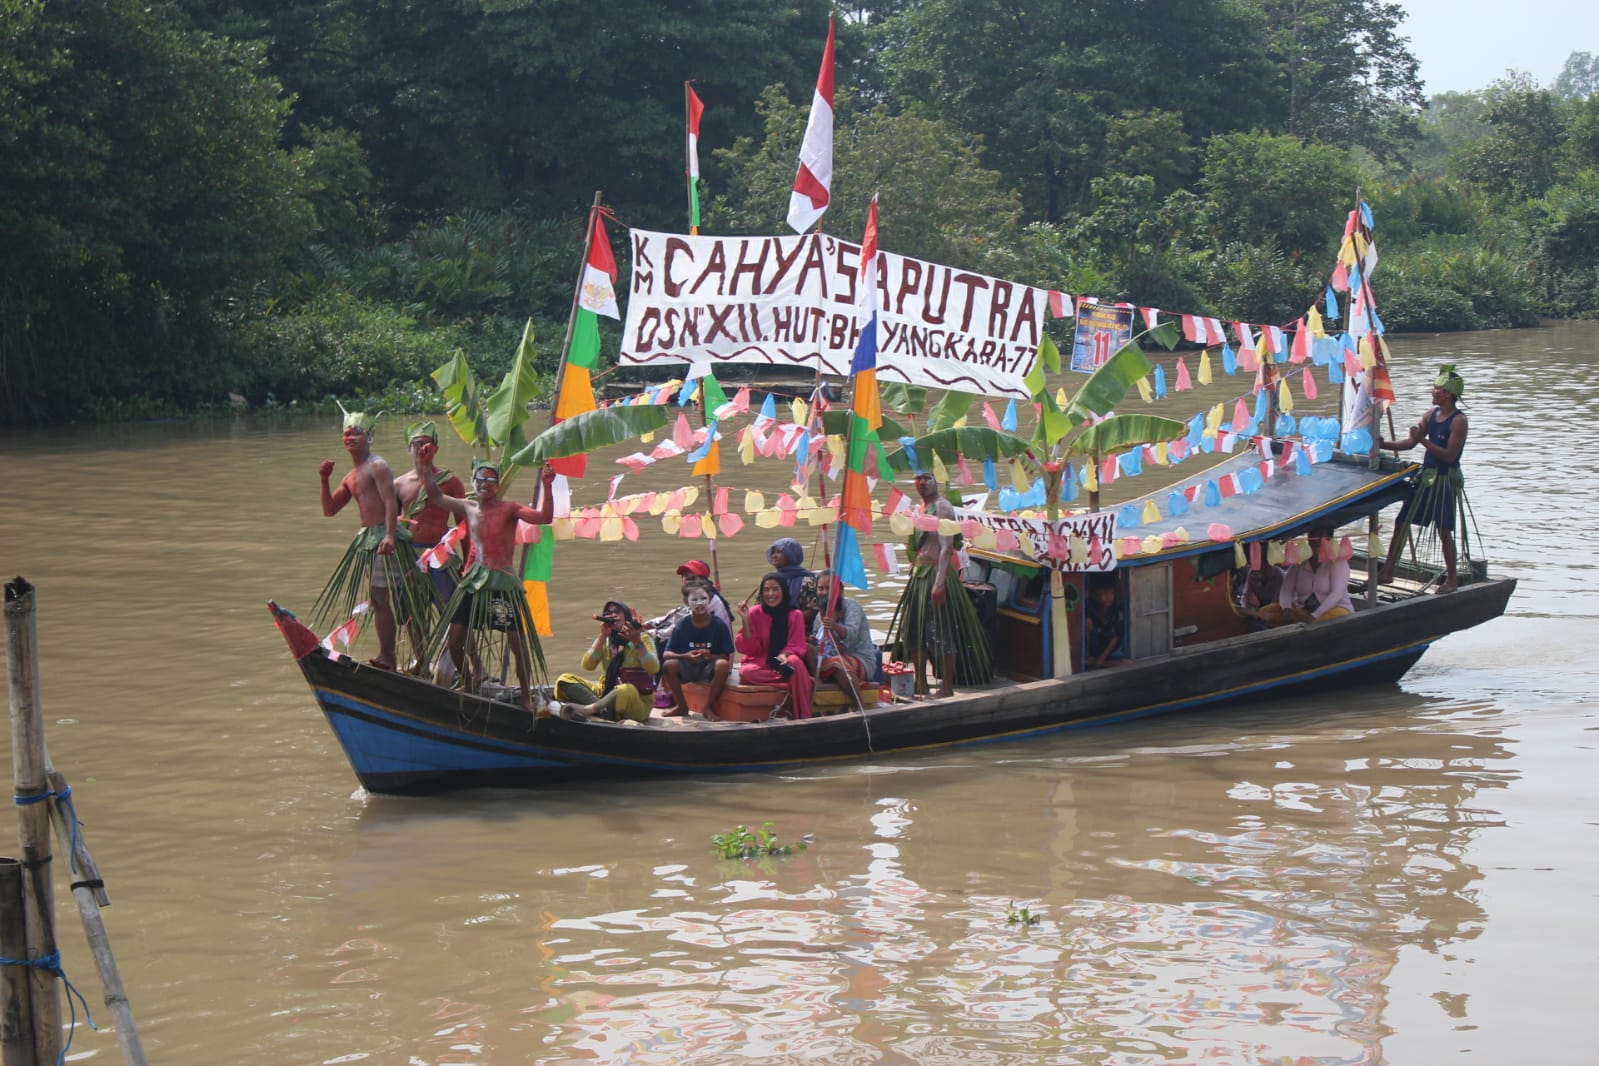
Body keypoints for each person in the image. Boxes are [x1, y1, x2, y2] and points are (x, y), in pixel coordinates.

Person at [416, 457, 557, 714]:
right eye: (480, 479)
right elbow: (435, 496)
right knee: (456, 641)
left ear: (497, 484)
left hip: (502, 580)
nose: (485, 484)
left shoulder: (509, 509)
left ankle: (526, 696)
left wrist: (547, 486)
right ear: (474, 482)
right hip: (474, 581)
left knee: (518, 644)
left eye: (491, 480)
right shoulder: (468, 507)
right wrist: (425, 467)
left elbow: (544, 517)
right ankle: (469, 682)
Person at [312, 406, 432, 672]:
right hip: (369, 539)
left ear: (369, 438)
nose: (350, 438)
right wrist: (324, 479)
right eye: (346, 434)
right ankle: (397, 657)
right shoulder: (351, 476)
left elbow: (391, 503)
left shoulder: (377, 466)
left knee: (396, 600)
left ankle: (396, 658)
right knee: (382, 600)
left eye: (357, 433)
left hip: (385, 537)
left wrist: (390, 534)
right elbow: (329, 510)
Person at [885, 471, 993, 698]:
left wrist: (939, 583)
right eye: (917, 478)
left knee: (941, 631)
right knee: (913, 630)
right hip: (919, 575)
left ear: (936, 482)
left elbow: (946, 548)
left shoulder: (942, 507)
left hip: (936, 575)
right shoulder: (919, 508)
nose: (921, 483)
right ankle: (921, 683)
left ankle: (946, 687)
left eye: (926, 478)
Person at [1379, 364, 1470, 592]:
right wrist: (1382, 444)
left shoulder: (1459, 421)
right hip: (1427, 478)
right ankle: (1388, 571)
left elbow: (1449, 456)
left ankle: (1451, 580)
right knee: (1402, 522)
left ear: (1447, 394)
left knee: (1444, 531)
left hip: (1444, 480)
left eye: (1436, 389)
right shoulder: (1431, 414)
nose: (1432, 392)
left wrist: (1422, 440)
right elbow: (1410, 442)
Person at [393, 420, 468, 607]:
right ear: (409, 449)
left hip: (441, 553)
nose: (421, 448)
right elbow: (391, 525)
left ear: (436, 449)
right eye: (417, 444)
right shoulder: (399, 484)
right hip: (409, 554)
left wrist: (469, 561)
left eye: (427, 443)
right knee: (412, 614)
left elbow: (464, 525)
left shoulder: (451, 481)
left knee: (450, 611)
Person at [558, 601, 661, 722]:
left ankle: (590, 709)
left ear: (626, 616)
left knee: (625, 689)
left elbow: (654, 668)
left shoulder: (642, 638)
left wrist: (636, 642)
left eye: (617, 612)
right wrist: (602, 637)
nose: (612, 615)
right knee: (564, 680)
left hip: (636, 701)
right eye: (609, 613)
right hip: (607, 692)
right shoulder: (607, 640)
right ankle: (604, 710)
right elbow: (587, 665)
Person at [735, 573, 814, 719]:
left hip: (785, 662)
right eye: (766, 590)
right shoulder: (755, 612)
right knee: (747, 672)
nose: (770, 594)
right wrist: (745, 620)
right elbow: (749, 649)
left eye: (775, 589)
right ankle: (796, 683)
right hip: (762, 663)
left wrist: (785, 654)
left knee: (794, 662)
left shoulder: (795, 614)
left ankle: (804, 715)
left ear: (783, 590)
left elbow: (797, 644)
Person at [660, 579, 734, 717]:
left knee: (723, 665)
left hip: (709, 667)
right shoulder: (682, 625)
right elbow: (666, 654)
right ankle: (681, 706)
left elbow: (726, 655)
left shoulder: (718, 625)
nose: (699, 603)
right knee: (669, 665)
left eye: (703, 598)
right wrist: (685, 656)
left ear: (710, 599)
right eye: (694, 599)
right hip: (688, 665)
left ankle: (708, 708)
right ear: (686, 602)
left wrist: (711, 656)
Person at [808, 569, 878, 712]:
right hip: (829, 657)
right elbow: (818, 640)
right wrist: (812, 641)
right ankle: (819, 685)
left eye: (829, 588)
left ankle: (858, 705)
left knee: (837, 662)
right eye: (821, 588)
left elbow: (851, 635)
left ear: (840, 590)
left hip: (859, 659)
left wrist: (834, 626)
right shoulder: (819, 614)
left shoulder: (851, 607)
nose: (824, 592)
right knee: (806, 649)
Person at [1259, 527, 1353, 626]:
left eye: (1321, 536)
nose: (1316, 541)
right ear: (1308, 538)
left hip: (1334, 610)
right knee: (1266, 611)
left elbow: (1336, 594)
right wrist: (1286, 608)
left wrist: (1314, 616)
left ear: (1330, 539)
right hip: (1303, 610)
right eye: (1313, 536)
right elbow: (1286, 590)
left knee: (1329, 619)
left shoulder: (1338, 561)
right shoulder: (1300, 560)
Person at [645, 559, 733, 645]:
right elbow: (675, 617)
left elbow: (676, 629)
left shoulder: (707, 600)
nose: (687, 581)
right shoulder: (694, 597)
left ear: (703, 581)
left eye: (692, 578)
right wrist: (647, 625)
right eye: (684, 577)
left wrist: (646, 633)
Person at [765, 537, 818, 621]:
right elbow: (762, 605)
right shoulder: (771, 580)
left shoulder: (807, 580)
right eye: (773, 552)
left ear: (791, 555)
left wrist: (788, 621)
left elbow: (813, 610)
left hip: (801, 627)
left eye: (779, 552)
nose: (774, 556)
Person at [1083, 579, 1128, 669]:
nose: (1109, 597)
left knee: (1128, 663)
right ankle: (1093, 660)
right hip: (1094, 651)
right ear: (1095, 596)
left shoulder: (1116, 611)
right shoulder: (1090, 610)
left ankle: (1099, 663)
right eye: (1104, 593)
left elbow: (1116, 637)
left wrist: (1101, 659)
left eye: (1111, 593)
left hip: (1111, 651)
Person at [1236, 557, 1286, 632]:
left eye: (1264, 568)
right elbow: (1245, 596)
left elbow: (1275, 605)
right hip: (1262, 609)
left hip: (1278, 608)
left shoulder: (1280, 576)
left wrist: (1262, 615)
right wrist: (1245, 610)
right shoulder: (1253, 573)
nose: (1259, 571)